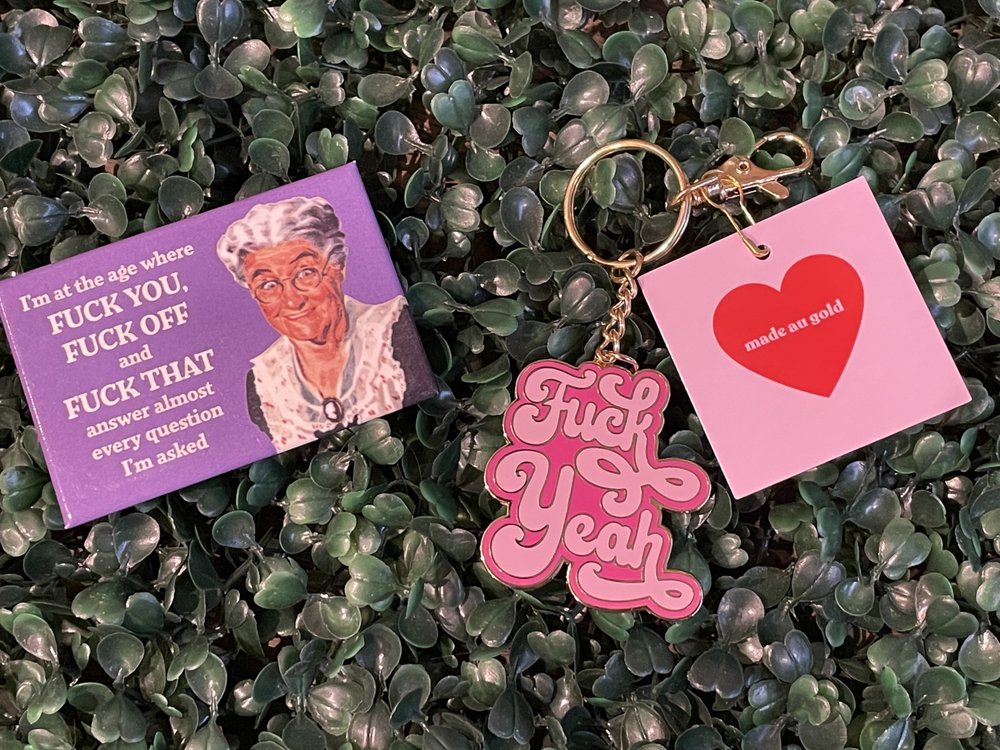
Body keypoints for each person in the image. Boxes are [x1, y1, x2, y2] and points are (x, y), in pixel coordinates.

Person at [216, 195, 424, 451]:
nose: (292, 301)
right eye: (268, 285)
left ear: (338, 266)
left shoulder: (396, 330)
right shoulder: (262, 384)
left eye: (305, 273)